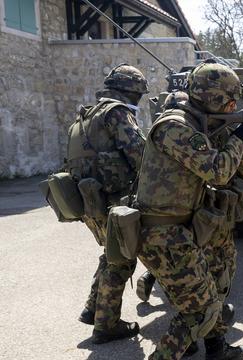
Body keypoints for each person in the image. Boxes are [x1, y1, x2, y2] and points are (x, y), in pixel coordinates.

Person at [135, 61, 243, 360]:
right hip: (163, 235)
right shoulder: (175, 127)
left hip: (186, 228)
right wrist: (239, 139)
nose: (232, 106)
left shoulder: (200, 126)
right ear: (215, 99)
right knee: (200, 310)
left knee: (215, 286)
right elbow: (217, 172)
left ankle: (217, 349)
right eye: (229, 101)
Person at [67, 63, 147, 343]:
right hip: (114, 201)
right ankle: (106, 325)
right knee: (122, 261)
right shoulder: (116, 113)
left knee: (109, 254)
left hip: (90, 202)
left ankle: (92, 309)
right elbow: (140, 154)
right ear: (132, 92)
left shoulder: (83, 118)